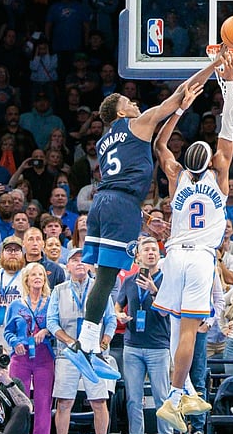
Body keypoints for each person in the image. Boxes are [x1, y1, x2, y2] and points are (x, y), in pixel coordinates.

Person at [71, 56, 224, 383]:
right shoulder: (134, 124)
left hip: (103, 202)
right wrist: (213, 66)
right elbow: (176, 95)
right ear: (121, 112)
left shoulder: (103, 140)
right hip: (120, 205)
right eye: (129, 101)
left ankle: (88, 345)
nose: (135, 102)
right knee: (107, 279)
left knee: (103, 278)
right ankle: (84, 347)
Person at [148, 68, 233, 431]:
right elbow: (227, 134)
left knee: (174, 330)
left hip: (174, 255)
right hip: (201, 258)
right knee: (188, 331)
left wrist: (181, 109)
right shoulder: (220, 179)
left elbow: (159, 145)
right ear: (212, 163)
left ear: (186, 162)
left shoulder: (175, 175)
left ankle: (181, 389)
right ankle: (173, 396)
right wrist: (229, 86)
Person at [47, 251, 117, 434]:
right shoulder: (58, 291)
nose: (78, 263)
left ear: (88, 265)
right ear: (67, 266)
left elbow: (111, 319)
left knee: (99, 402)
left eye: (82, 260)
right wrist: (68, 341)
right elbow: (51, 322)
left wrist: (104, 341)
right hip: (68, 354)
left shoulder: (100, 288)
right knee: (64, 402)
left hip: (94, 353)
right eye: (74, 260)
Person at [116, 237, 177, 434]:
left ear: (159, 255)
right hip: (132, 345)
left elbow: (166, 311)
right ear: (138, 255)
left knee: (162, 396)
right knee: (134, 397)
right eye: (146, 249)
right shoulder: (129, 281)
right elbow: (118, 303)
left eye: (154, 249)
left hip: (158, 345)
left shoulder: (166, 280)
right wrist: (119, 315)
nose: (150, 252)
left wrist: (153, 290)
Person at [2, 259, 55, 434]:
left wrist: (46, 330)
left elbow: (55, 324)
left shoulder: (51, 302)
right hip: (21, 357)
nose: (37, 278)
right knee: (20, 404)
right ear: (26, 279)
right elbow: (7, 331)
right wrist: (15, 342)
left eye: (40, 275)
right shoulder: (16, 304)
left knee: (43, 403)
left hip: (43, 357)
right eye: (33, 275)